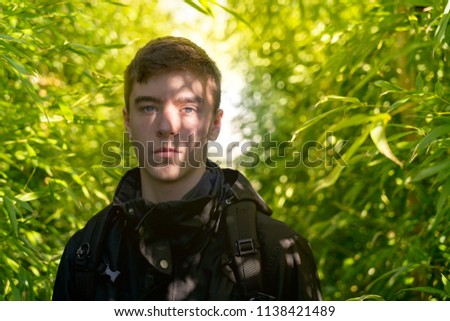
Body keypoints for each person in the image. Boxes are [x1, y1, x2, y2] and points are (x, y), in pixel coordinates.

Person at [52, 36, 322, 301]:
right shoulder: (86, 255)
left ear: (215, 125)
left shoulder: (276, 252)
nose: (167, 127)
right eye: (148, 107)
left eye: (188, 108)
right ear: (127, 121)